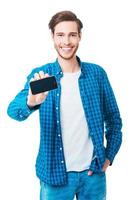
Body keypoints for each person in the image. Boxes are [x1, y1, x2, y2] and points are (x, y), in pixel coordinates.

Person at [7, 10, 122, 200]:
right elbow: (13, 111)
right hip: (55, 177)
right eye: (60, 35)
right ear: (52, 36)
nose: (66, 42)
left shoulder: (96, 74)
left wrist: (108, 157)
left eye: (72, 35)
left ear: (80, 36)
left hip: (93, 175)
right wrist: (31, 102)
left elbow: (114, 120)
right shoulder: (44, 75)